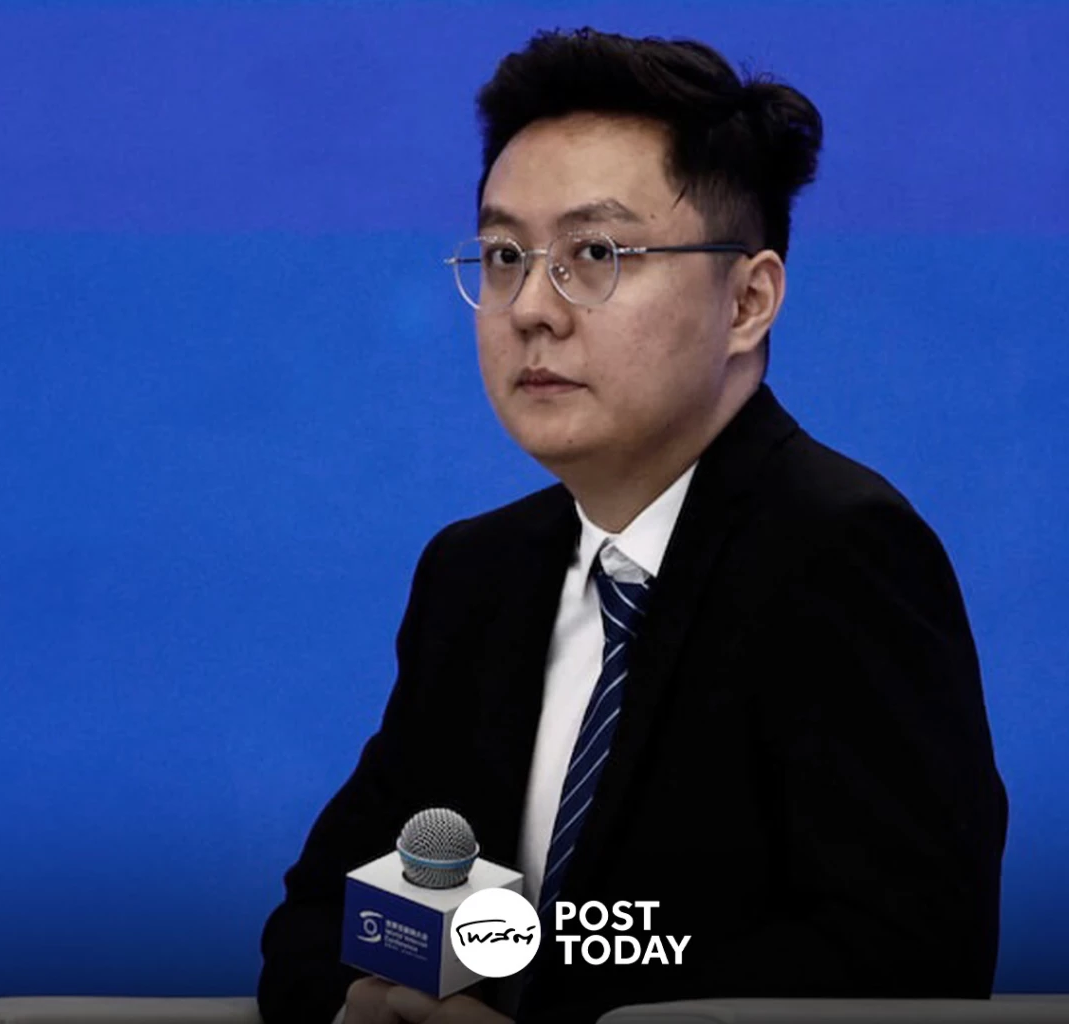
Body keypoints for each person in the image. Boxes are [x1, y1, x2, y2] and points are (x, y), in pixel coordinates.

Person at [257, 27, 1007, 1024]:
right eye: (504, 256)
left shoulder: (838, 555)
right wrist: (369, 999)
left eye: (595, 254)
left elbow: (908, 956)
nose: (531, 307)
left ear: (747, 301)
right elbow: (322, 918)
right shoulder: (479, 577)